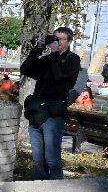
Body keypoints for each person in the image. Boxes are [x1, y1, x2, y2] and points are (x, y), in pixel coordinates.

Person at [19, 26, 82, 180]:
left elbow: (60, 76)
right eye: (55, 38)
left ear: (69, 42)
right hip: (37, 113)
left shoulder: (72, 59)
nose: (56, 42)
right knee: (38, 160)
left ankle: (56, 191)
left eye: (60, 39)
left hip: (53, 116)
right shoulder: (48, 59)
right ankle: (40, 188)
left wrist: (54, 55)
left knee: (52, 159)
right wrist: (37, 50)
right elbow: (26, 69)